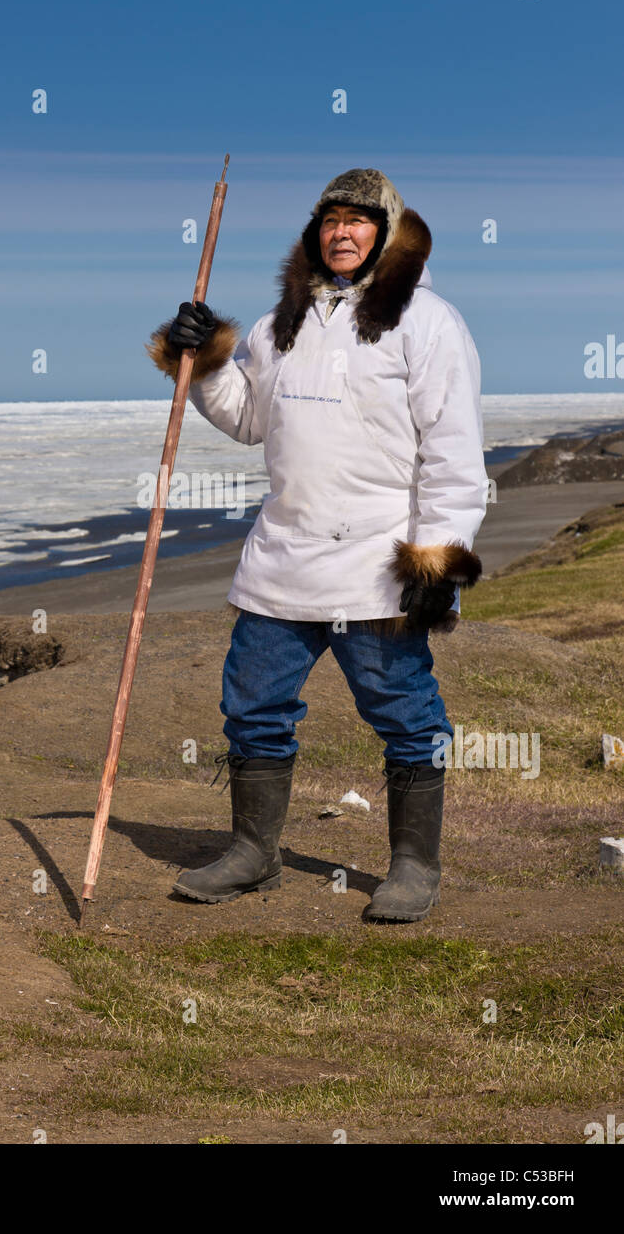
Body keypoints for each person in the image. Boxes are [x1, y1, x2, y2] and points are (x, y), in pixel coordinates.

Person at [146, 168, 487, 922]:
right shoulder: (281, 327)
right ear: (314, 234)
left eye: (359, 221)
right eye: (330, 220)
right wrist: (199, 359)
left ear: (388, 234)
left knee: (405, 712)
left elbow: (453, 453)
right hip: (284, 558)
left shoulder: (428, 324)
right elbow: (246, 418)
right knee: (254, 707)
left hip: (376, 562)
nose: (341, 233)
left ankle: (412, 864)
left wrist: (437, 557)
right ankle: (253, 852)